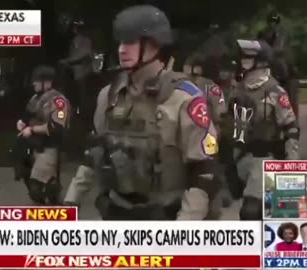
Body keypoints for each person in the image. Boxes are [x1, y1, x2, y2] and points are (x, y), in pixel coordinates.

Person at [64, 5, 219, 220]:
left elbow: (203, 175)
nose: (121, 50)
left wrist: (183, 232)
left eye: (130, 42)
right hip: (116, 215)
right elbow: (92, 156)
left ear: (154, 45)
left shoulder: (184, 98)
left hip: (165, 219)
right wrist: (69, 204)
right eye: (120, 42)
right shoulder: (108, 96)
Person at [227, 39, 299, 220]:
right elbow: (229, 128)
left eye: (247, 58)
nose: (242, 62)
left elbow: (291, 129)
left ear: (260, 62)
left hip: (265, 158)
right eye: (242, 58)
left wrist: (292, 164)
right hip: (241, 158)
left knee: (251, 212)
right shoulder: (237, 92)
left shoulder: (275, 92)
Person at [183, 54, 232, 210]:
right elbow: (221, 111)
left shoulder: (208, 87)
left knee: (210, 166)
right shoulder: (207, 86)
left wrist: (216, 132)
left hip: (204, 133)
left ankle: (218, 195)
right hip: (198, 133)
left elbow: (220, 112)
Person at [16, 66, 70, 205]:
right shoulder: (35, 98)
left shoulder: (58, 101)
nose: (33, 83)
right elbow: (29, 116)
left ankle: (56, 209)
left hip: (50, 147)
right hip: (33, 145)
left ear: (47, 82)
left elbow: (56, 127)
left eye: (37, 81)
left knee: (40, 187)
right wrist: (23, 124)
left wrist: (32, 129)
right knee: (27, 177)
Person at [258, 11, 299, 117]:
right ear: (268, 22)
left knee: (292, 98)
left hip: (285, 69)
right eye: (271, 22)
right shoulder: (262, 34)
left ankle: (294, 120)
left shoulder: (284, 34)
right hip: (268, 65)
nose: (273, 24)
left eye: (275, 22)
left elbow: (280, 49)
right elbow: (259, 48)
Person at [59, 18, 93, 115]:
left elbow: (84, 55)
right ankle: (73, 110)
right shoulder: (74, 40)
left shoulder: (85, 40)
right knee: (73, 92)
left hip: (82, 72)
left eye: (76, 27)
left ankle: (83, 112)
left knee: (82, 93)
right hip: (74, 71)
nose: (74, 29)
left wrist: (68, 61)